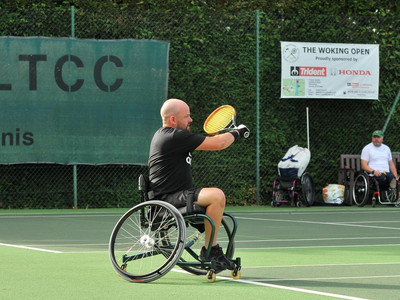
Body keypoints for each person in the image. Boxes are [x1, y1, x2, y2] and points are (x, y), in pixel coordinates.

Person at [148, 98, 249, 270]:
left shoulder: (171, 136)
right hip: (168, 200)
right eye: (187, 116)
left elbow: (212, 140)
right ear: (173, 120)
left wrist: (229, 134)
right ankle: (211, 252)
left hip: (178, 196)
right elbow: (219, 143)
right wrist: (237, 132)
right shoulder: (173, 136)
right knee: (216, 195)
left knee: (213, 197)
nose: (191, 120)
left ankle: (211, 249)